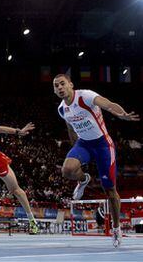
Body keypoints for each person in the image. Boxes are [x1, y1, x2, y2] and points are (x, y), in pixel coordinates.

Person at [53, 73, 140, 247]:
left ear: (71, 84)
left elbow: (107, 104)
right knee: (67, 170)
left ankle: (116, 228)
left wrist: (121, 114)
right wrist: (75, 149)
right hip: (83, 144)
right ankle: (84, 178)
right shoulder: (62, 109)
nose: (60, 88)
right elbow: (71, 127)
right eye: (56, 86)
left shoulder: (85, 96)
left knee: (110, 190)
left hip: (102, 145)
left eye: (62, 84)